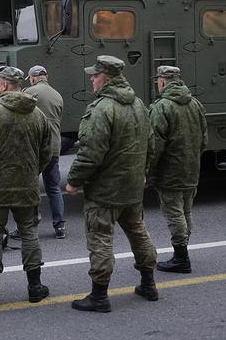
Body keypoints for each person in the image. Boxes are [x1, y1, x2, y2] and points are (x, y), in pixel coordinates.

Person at [65, 55, 158, 312]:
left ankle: (99, 296)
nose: (92, 80)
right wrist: (142, 173)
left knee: (100, 239)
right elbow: (150, 146)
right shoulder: (139, 105)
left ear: (105, 77)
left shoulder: (103, 109)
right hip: (131, 189)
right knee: (139, 233)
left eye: (94, 76)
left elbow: (90, 152)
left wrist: (74, 181)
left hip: (105, 191)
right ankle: (149, 284)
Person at [0, 66, 51, 307]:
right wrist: (31, 172)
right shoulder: (37, 115)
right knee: (29, 233)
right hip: (26, 186)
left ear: (4, 85)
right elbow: (46, 151)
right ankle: (35, 286)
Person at [148, 65, 208, 274]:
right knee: (186, 211)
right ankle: (182, 251)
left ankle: (181, 258)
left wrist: (148, 172)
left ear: (163, 82)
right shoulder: (196, 104)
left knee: (174, 214)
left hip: (170, 172)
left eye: (158, 81)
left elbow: (155, 146)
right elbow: (204, 140)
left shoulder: (162, 107)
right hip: (192, 169)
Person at [24, 65, 66, 239]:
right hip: (54, 146)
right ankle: (60, 226)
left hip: (35, 147)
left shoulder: (29, 92)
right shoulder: (58, 95)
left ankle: (28, 226)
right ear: (46, 77)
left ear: (33, 78)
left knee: (29, 187)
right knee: (54, 188)